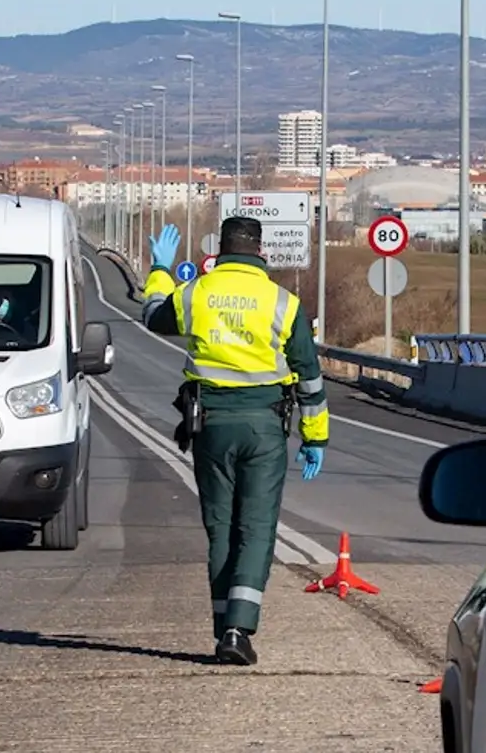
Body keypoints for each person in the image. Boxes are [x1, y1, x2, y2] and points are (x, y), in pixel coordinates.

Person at [138, 216, 327, 665]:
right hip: (264, 427)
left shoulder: (197, 293)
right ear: (260, 252)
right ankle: (239, 630)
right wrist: (314, 437)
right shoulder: (283, 302)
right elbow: (309, 375)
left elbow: (152, 317)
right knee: (256, 528)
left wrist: (160, 269)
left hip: (210, 426)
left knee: (220, 528)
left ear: (219, 251)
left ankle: (224, 628)